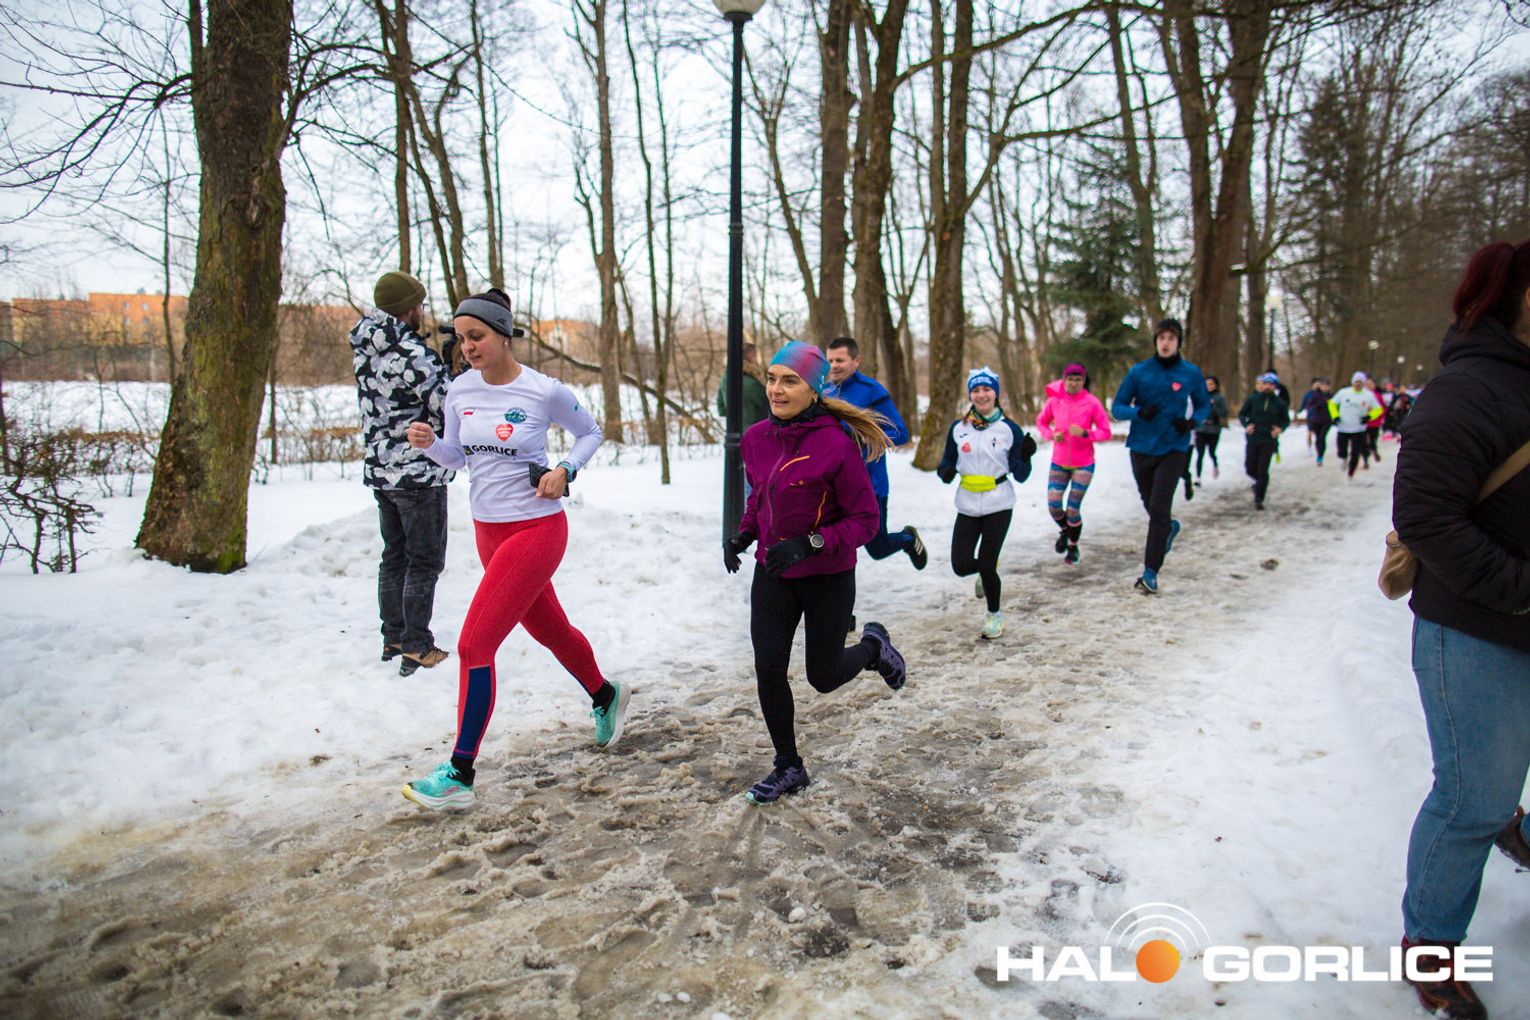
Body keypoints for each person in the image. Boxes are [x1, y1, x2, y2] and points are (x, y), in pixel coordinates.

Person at [399, 288, 627, 811]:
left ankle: (459, 774)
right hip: (488, 532)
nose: (467, 347)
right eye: (461, 339)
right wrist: (429, 445)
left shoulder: (543, 391)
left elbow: (590, 433)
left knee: (474, 645)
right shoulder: (460, 390)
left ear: (503, 335)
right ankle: (605, 694)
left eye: (476, 336)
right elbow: (458, 457)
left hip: (536, 530)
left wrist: (564, 470)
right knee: (550, 629)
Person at [1392, 239, 1530, 1020]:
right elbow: (1425, 518)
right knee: (1475, 795)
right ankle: (1432, 943)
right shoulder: (1466, 392)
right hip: (1479, 631)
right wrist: (1520, 590)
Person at [723, 341, 906, 805]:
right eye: (772, 378)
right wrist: (744, 534)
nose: (776, 389)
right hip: (773, 572)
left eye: (790, 381)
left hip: (827, 575)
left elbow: (865, 521)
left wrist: (811, 544)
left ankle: (873, 647)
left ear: (814, 389)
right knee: (768, 668)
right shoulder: (756, 439)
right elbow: (760, 495)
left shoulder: (836, 444)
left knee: (823, 677)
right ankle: (789, 765)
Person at [350, 270, 452, 676]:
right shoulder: (411, 353)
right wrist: (454, 373)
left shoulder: (367, 349)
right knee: (424, 560)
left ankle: (393, 637)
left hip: (381, 469)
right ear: (409, 309)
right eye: (420, 305)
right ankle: (417, 646)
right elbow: (447, 403)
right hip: (418, 471)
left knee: (394, 556)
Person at [936, 368, 1037, 637]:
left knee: (988, 565)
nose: (981, 395)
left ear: (996, 393)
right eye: (976, 390)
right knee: (960, 565)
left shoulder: (1009, 429)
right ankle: (985, 567)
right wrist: (945, 471)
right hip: (967, 504)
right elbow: (947, 460)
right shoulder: (959, 428)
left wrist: (1025, 456)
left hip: (999, 503)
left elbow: (1021, 475)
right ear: (970, 394)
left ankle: (994, 616)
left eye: (987, 389)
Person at [1110, 318, 1209, 594]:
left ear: (1178, 343)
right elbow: (1117, 407)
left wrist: (1192, 423)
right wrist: (1138, 412)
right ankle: (1168, 528)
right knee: (1153, 507)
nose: (1166, 343)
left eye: (1171, 338)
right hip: (1141, 447)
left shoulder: (1190, 373)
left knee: (1159, 507)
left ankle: (1150, 572)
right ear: (1155, 341)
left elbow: (1204, 405)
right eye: (1161, 338)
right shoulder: (1139, 372)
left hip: (1174, 447)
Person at [823, 337, 927, 570]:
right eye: (830, 360)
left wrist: (862, 436)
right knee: (837, 542)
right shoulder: (824, 392)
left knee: (878, 548)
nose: (834, 366)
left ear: (856, 361)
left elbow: (900, 434)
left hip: (871, 483)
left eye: (840, 360)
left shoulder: (872, 391)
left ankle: (908, 538)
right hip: (835, 482)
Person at [1035, 362, 1110, 565]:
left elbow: (1105, 431)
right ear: (1064, 380)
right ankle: (1066, 530)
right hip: (1059, 462)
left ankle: (1073, 547)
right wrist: (1051, 435)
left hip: (1083, 463)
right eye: (1070, 379)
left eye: (1078, 379)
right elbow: (1041, 422)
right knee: (1054, 505)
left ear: (1084, 381)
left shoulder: (1092, 403)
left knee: (1073, 509)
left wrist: (1087, 433)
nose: (1074, 383)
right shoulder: (1054, 401)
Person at [1237, 372, 1290, 510]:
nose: (1267, 386)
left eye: (1271, 384)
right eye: (1265, 383)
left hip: (1269, 439)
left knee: (1262, 470)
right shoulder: (1253, 399)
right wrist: (1246, 425)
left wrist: (1280, 429)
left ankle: (1259, 498)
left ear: (1275, 387)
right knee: (1249, 468)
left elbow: (1286, 420)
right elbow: (1242, 414)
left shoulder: (1280, 403)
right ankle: (1259, 483)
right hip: (1253, 438)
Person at [1333, 371, 1383, 477]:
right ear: (1352, 382)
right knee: (1341, 449)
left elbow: (1378, 409)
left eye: (1360, 382)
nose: (1358, 384)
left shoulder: (1368, 395)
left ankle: (1351, 472)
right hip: (1343, 427)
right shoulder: (1343, 393)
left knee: (1356, 452)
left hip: (1359, 429)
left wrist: (1369, 416)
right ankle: (1343, 458)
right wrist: (1335, 416)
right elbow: (1332, 404)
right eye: (1356, 381)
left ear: (1363, 383)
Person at [716, 340, 769, 431]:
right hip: (756, 433)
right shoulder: (751, 383)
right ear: (750, 357)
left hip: (734, 432)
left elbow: (721, 410)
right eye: (755, 355)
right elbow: (771, 407)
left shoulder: (725, 378)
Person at [1193, 375, 1229, 482]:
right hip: (1200, 429)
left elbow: (1223, 413)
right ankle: (1198, 478)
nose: (1209, 386)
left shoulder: (1220, 398)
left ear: (1216, 385)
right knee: (1200, 453)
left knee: (1211, 452)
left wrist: (1213, 405)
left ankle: (1215, 465)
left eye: (1211, 384)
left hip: (1213, 429)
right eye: (1206, 384)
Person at [1299, 378, 1333, 465]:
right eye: (1323, 385)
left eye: (1326, 386)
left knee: (1322, 437)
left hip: (1327, 420)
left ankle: (1320, 456)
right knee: (1318, 438)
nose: (1324, 387)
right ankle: (1318, 453)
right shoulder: (1315, 395)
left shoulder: (1331, 396)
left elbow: (1335, 407)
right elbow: (1309, 404)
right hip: (1316, 420)